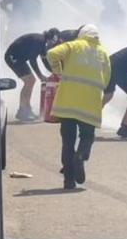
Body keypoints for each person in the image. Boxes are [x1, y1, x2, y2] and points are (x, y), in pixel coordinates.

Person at [46, 25, 110, 189]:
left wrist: (58, 71)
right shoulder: (103, 52)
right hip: (89, 103)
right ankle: (80, 156)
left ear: (81, 34)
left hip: (67, 102)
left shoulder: (74, 45)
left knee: (68, 142)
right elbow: (107, 78)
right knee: (87, 137)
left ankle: (69, 181)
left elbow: (52, 53)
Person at [4, 28, 60, 121]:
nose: (52, 46)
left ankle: (26, 108)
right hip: (12, 57)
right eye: (53, 43)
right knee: (29, 81)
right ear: (51, 39)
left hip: (18, 58)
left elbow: (45, 61)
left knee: (31, 81)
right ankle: (22, 111)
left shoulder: (42, 43)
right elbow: (32, 61)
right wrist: (40, 76)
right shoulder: (39, 41)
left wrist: (54, 73)